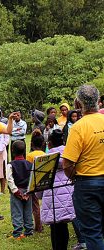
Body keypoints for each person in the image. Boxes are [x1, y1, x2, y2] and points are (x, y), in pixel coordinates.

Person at [62, 85, 104, 250]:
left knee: (93, 233)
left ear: (78, 104)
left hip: (88, 185)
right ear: (98, 101)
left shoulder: (78, 127)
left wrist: (74, 177)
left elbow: (67, 163)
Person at [41, 129, 76, 250]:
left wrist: (40, 196)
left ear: (49, 143)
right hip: (69, 193)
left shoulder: (45, 159)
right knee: (64, 225)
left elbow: (39, 182)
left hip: (51, 195)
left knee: (55, 228)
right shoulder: (70, 155)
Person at [6, 140, 33, 239]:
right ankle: (29, 231)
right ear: (24, 150)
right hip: (28, 191)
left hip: (17, 191)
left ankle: (17, 233)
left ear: (12, 150)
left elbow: (9, 179)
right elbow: (32, 178)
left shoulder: (11, 164)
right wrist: (29, 191)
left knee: (17, 212)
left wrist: (16, 192)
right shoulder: (30, 164)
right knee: (28, 211)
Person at [26, 129, 45, 233]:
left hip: (34, 182)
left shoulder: (30, 155)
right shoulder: (44, 154)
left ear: (32, 144)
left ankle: (38, 226)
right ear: (43, 144)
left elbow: (28, 169)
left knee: (35, 205)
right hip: (45, 181)